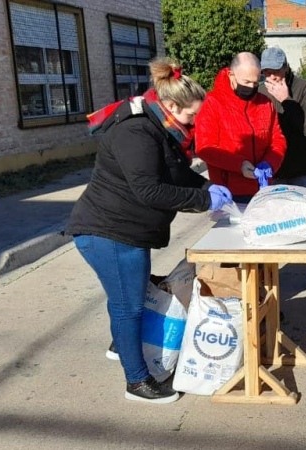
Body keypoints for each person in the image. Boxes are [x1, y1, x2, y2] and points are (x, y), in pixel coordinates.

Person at [67, 57, 233, 404]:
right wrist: (204, 201)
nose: (194, 122)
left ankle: (121, 345)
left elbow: (174, 172)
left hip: (124, 230)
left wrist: (208, 189)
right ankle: (138, 382)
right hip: (109, 231)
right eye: (191, 115)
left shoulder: (160, 127)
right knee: (128, 307)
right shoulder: (136, 131)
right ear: (171, 105)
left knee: (133, 295)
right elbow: (150, 190)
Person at [258, 46, 306, 294]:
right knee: (274, 221)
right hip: (275, 168)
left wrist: (287, 100)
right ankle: (271, 277)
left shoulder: (304, 88)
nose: (272, 77)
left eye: (276, 71)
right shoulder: (261, 92)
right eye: (267, 72)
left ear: (286, 67)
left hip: (303, 166)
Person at [193, 52, 286, 203]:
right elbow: (205, 148)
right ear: (231, 75)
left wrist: (270, 162)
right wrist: (239, 164)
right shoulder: (212, 103)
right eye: (247, 82)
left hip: (263, 188)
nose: (251, 87)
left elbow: (278, 140)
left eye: (256, 83)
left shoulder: (265, 103)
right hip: (229, 193)